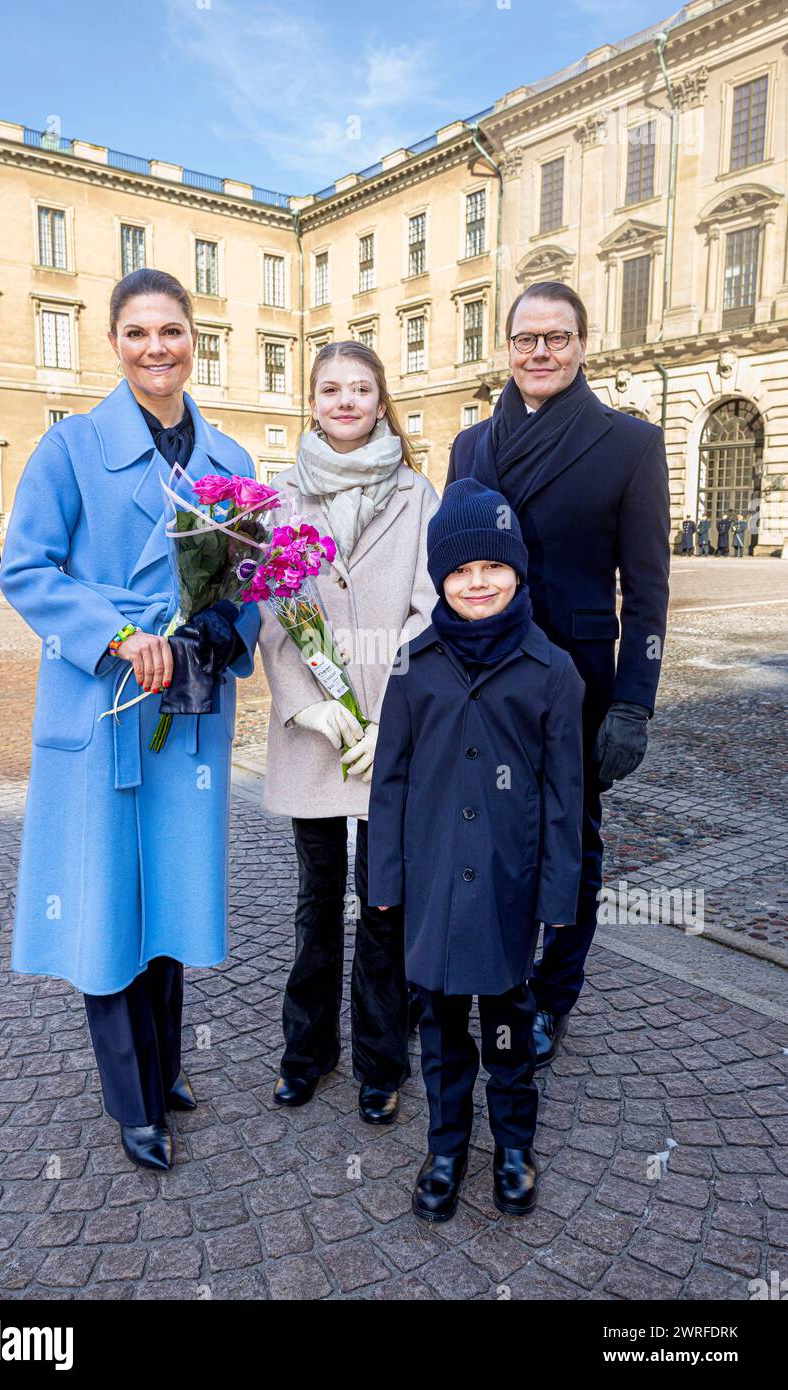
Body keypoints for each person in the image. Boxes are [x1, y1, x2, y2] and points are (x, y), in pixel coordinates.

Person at [0, 268, 260, 1172]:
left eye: (174, 331)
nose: (158, 347)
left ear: (196, 340)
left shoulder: (231, 461)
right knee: (111, 897)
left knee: (173, 892)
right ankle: (132, 1098)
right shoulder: (68, 448)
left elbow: (249, 578)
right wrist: (115, 634)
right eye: (140, 332)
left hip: (186, 708)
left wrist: (228, 625)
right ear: (114, 342)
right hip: (102, 706)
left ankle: (167, 1065)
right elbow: (27, 570)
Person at [445, 281, 669, 1069]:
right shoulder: (471, 447)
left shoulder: (630, 444)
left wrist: (635, 703)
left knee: (570, 845)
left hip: (577, 683)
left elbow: (646, 588)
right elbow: (451, 569)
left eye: (557, 338)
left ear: (582, 345)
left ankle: (554, 991)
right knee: (488, 830)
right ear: (506, 346)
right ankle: (490, 972)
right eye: (525, 339)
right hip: (483, 677)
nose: (540, 352)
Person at [368, 479, 584, 1221]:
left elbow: (565, 799)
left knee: (507, 1026)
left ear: (517, 570)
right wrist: (384, 880)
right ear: (441, 581)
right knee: (441, 1030)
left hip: (505, 886)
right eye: (460, 571)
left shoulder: (551, 671)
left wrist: (558, 896)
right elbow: (389, 783)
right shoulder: (412, 664)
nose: (478, 582)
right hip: (430, 886)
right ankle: (447, 1145)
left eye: (492, 566)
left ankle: (515, 1147)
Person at [258, 341, 439, 1123]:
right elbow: (267, 605)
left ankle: (380, 1056)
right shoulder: (278, 500)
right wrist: (306, 704)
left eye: (359, 388)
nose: (344, 401)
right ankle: (306, 1051)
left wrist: (393, 715)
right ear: (311, 400)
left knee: (384, 902)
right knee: (316, 896)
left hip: (389, 736)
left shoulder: (418, 495)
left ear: (379, 398)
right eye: (330, 388)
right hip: (316, 735)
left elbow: (435, 607)